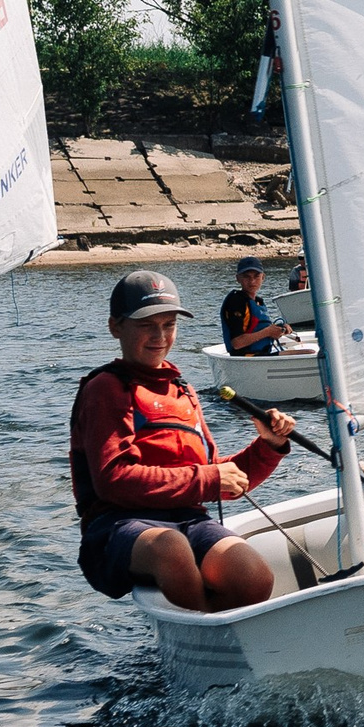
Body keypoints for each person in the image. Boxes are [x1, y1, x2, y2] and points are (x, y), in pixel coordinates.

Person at [70, 270, 297, 612]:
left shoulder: (183, 390)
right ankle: (206, 635)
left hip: (188, 520)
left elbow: (219, 478)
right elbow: (113, 480)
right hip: (119, 525)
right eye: (146, 324)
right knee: (171, 548)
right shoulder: (105, 388)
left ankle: (218, 634)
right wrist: (208, 479)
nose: (159, 336)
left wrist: (268, 446)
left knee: (253, 576)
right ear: (116, 327)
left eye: (168, 325)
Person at [220, 256, 293, 356]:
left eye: (256, 276)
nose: (252, 281)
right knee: (308, 353)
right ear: (238, 278)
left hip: (262, 354)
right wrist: (268, 332)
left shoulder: (258, 301)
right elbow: (237, 343)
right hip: (246, 357)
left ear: (263, 277)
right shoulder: (236, 301)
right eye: (246, 277)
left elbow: (257, 328)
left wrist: (280, 329)